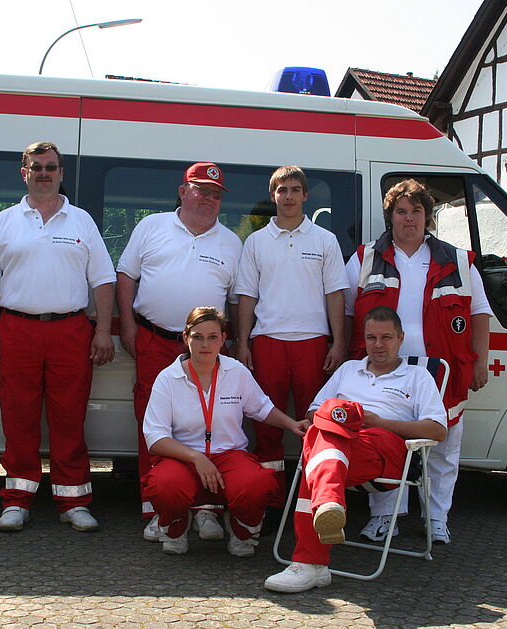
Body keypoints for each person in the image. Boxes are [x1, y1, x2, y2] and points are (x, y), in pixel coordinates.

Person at [0, 141, 116, 533]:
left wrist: (103, 331)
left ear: (61, 173)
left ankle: (74, 502)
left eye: (51, 167)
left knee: (70, 417)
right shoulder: (5, 221)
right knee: (18, 417)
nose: (44, 173)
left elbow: (103, 280)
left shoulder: (81, 221)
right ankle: (17, 501)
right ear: (25, 173)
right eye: (36, 167)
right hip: (17, 329)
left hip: (71, 330)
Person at [344, 178, 492, 545]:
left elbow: (479, 313)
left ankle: (436, 519)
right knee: (382, 441)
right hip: (384, 368)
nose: (408, 218)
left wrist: (480, 362)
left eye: (416, 211)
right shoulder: (364, 258)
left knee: (444, 447)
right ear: (390, 216)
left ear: (428, 216)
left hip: (441, 370)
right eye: (401, 211)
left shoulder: (457, 260)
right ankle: (385, 517)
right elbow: (346, 313)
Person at [264, 306, 447, 593]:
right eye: (371, 337)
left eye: (386, 337)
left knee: (316, 452)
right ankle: (326, 512)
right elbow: (313, 412)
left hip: (384, 448)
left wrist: (378, 422)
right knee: (322, 434)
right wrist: (345, 419)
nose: (378, 345)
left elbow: (437, 430)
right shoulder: (348, 369)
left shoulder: (417, 377)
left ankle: (309, 562)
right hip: (340, 449)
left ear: (401, 338)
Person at [116, 162, 243, 542]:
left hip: (207, 349)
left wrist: (235, 342)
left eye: (216, 194)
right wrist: (127, 326)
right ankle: (158, 509)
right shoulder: (151, 226)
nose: (209, 199)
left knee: (210, 425)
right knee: (153, 424)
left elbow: (236, 302)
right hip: (155, 340)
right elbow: (126, 277)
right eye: (201, 190)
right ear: (183, 191)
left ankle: (206, 509)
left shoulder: (231, 242)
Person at [141, 306, 308, 556]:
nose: (205, 344)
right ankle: (176, 529)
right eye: (197, 337)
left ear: (223, 339)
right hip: (183, 458)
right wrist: (196, 458)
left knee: (257, 483)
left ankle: (241, 531)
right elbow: (155, 438)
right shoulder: (168, 378)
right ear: (185, 337)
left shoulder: (236, 371)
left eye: (212, 337)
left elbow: (261, 408)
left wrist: (292, 424)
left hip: (229, 456)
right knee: (164, 485)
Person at [234, 165, 348, 503]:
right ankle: (269, 499)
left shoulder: (324, 239)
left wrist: (339, 341)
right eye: (282, 190)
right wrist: (243, 342)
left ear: (305, 195)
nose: (288, 196)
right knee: (266, 424)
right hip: (267, 340)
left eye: (295, 189)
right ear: (273, 196)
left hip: (313, 341)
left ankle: (312, 500)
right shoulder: (256, 241)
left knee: (314, 421)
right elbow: (246, 296)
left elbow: (335, 294)